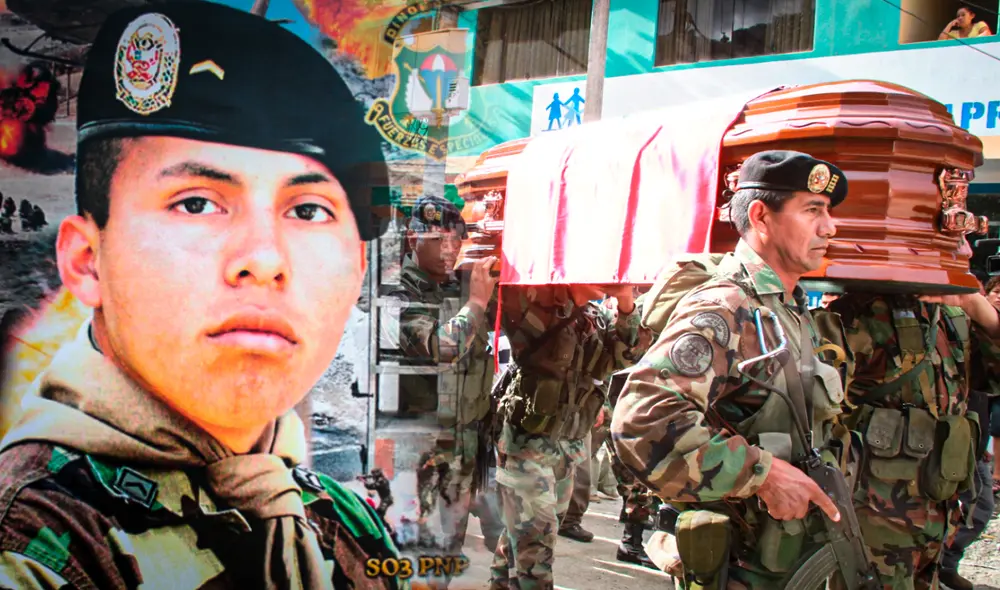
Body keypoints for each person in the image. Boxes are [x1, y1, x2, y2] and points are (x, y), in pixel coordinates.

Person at [0, 3, 401, 589]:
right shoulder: (37, 544)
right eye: (197, 203)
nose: (264, 259)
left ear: (356, 269)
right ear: (88, 261)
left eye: (308, 210)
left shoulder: (347, 524)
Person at [612, 150, 849, 589]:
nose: (829, 227)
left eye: (829, 212)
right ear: (761, 216)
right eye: (813, 210)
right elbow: (641, 421)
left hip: (782, 557)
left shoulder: (781, 307)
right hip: (739, 566)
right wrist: (762, 474)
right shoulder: (727, 306)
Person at [826, 283, 1000, 590]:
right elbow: (818, 409)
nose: (964, 249)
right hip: (878, 512)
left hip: (939, 500)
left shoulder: (954, 317)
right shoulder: (853, 316)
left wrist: (985, 314)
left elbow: (994, 380)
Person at [489, 283, 651, 590]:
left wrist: (626, 302)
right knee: (536, 543)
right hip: (528, 445)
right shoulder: (537, 303)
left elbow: (627, 356)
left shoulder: (598, 317)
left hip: (569, 447)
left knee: (522, 537)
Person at [381, 194, 500, 562]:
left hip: (463, 455)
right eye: (439, 240)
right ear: (414, 240)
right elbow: (441, 347)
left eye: (456, 239)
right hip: (417, 461)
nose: (450, 248)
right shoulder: (397, 292)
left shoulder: (459, 289)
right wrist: (477, 303)